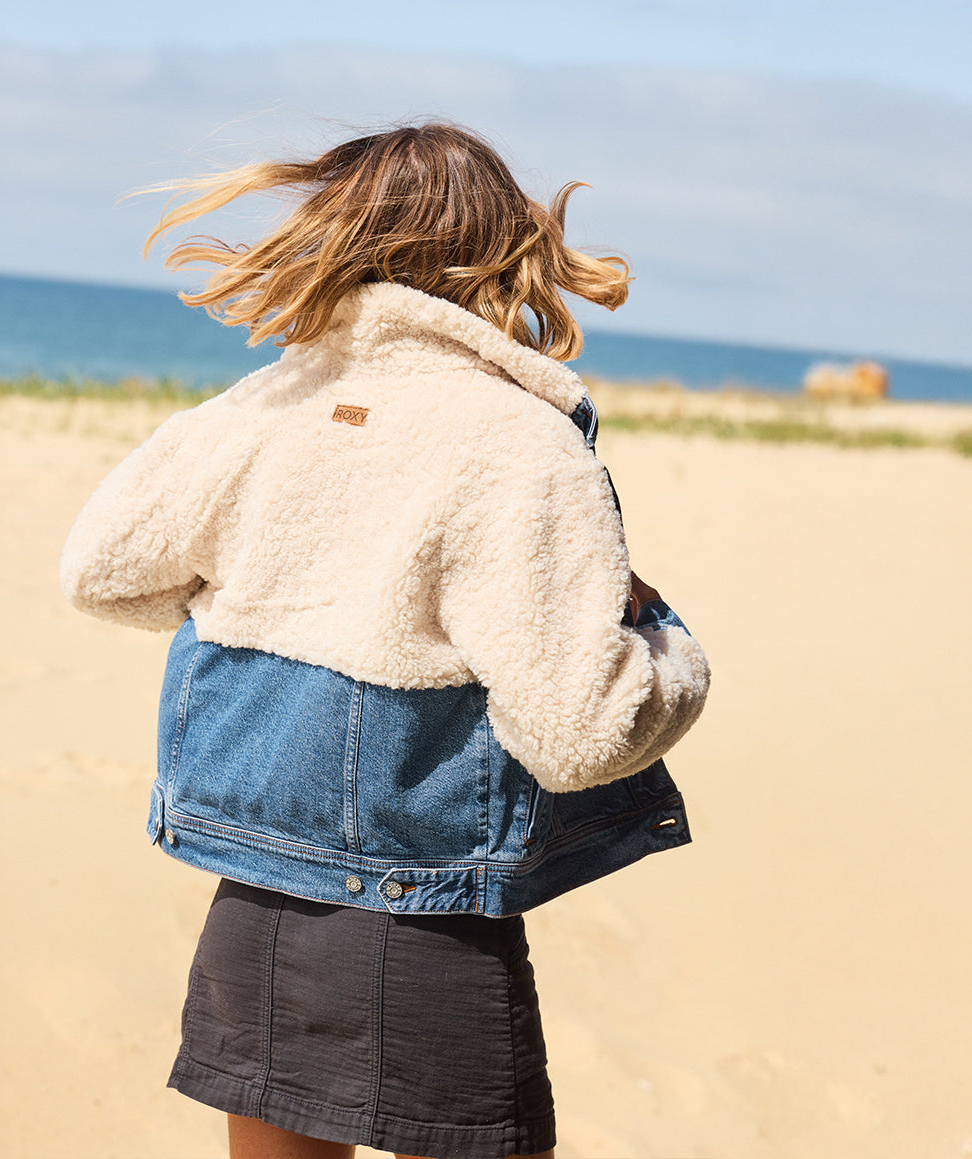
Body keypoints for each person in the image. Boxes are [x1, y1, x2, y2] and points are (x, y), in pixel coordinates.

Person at [60, 123, 710, 1159]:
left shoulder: (268, 403)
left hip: (257, 899)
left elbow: (102, 572)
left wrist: (271, 580)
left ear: (339, 237)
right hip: (428, 913)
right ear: (510, 252)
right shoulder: (520, 442)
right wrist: (664, 641)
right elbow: (580, 734)